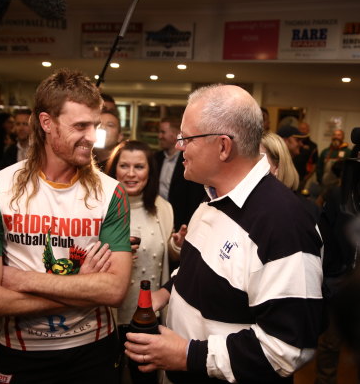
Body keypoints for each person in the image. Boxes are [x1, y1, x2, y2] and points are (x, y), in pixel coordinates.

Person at [124, 84, 324, 383]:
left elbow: (288, 347)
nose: (179, 146)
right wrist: (166, 292)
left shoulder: (283, 223)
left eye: (187, 138)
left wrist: (186, 355)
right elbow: (199, 269)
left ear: (223, 146)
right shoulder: (213, 199)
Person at [0, 68, 133, 384]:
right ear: (46, 123)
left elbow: (113, 289)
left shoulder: (112, 193)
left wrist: (21, 279)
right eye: (80, 126)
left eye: (95, 125)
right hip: (22, 352)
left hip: (94, 350)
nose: (92, 136)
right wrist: (82, 288)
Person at [105, 140, 185, 383]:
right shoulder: (100, 207)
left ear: (150, 171)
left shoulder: (163, 208)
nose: (131, 174)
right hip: (108, 316)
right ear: (113, 169)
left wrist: (177, 246)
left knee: (145, 380)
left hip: (147, 316)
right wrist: (114, 252)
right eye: (124, 166)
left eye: (139, 167)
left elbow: (164, 258)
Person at [155, 116, 205, 231]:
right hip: (158, 220)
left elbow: (194, 197)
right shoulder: (156, 158)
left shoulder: (189, 162)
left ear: (176, 134)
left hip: (181, 223)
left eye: (163, 132)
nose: (159, 136)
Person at [315, 129, 351, 194]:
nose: (336, 137)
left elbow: (350, 170)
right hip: (325, 185)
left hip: (340, 187)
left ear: (343, 137)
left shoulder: (348, 152)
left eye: (339, 135)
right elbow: (319, 167)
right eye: (334, 135)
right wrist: (320, 180)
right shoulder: (325, 151)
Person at [293, 122, 318, 190]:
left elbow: (314, 165)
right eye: (300, 129)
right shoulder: (293, 143)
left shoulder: (313, 146)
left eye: (304, 129)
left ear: (308, 130)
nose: (302, 131)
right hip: (291, 175)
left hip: (303, 178)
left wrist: (305, 179)